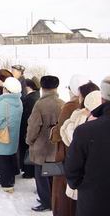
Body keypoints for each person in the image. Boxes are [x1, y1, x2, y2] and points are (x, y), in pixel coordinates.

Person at [65, 76, 110, 216]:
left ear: (102, 98)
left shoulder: (86, 130)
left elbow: (72, 170)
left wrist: (84, 186)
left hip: (94, 202)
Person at [49, 75, 90, 216]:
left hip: (66, 157)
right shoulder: (93, 106)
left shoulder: (70, 106)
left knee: (63, 196)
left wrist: (54, 130)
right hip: (82, 161)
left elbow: (59, 134)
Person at [26, 75, 65, 212]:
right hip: (55, 146)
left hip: (41, 146)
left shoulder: (40, 104)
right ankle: (52, 200)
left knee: (41, 177)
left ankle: (45, 201)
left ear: (42, 87)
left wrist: (29, 140)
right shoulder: (62, 103)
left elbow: (33, 126)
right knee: (52, 176)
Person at [0, 77, 23, 193]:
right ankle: (9, 179)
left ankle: (7, 184)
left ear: (6, 90)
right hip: (13, 135)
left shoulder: (4, 103)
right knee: (9, 158)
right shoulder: (19, 101)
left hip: (3, 136)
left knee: (3, 160)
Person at [19, 78, 40, 179]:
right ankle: (28, 170)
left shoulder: (30, 99)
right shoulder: (36, 96)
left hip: (27, 127)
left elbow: (28, 115)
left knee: (27, 150)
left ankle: (28, 171)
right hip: (28, 127)